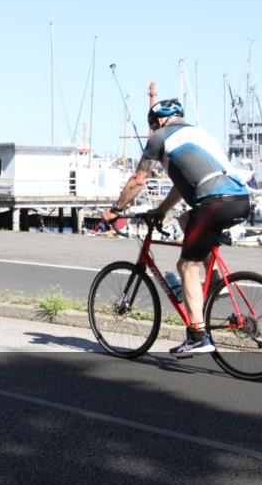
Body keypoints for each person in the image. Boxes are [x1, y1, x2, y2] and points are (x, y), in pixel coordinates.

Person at [103, 98, 250, 355]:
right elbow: (180, 187)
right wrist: (161, 211)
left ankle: (197, 336)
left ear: (158, 121)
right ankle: (216, 281)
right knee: (185, 221)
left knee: (186, 266)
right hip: (239, 201)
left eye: (152, 126)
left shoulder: (161, 137)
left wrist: (116, 210)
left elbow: (138, 179)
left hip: (214, 203)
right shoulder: (199, 133)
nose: (152, 131)